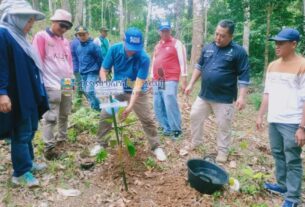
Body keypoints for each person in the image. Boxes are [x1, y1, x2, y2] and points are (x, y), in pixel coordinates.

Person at [184, 19, 250, 163]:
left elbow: (244, 76)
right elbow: (199, 66)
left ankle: (222, 152)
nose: (218, 38)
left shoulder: (239, 52)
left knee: (223, 125)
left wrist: (242, 97)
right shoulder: (208, 48)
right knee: (195, 115)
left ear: (231, 36)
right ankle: (196, 142)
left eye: (223, 36)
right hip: (204, 95)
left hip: (224, 98)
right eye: (217, 34)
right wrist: (190, 84)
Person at [98, 27, 167, 161]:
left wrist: (130, 107)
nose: (132, 51)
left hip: (137, 89)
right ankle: (101, 143)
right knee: (106, 114)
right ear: (124, 41)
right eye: (129, 47)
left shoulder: (144, 58)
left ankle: (156, 146)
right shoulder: (114, 49)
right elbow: (103, 70)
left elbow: (138, 85)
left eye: (135, 48)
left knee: (147, 118)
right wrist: (107, 89)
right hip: (117, 86)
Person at [0, 0, 49, 187]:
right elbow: (1, 65)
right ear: (16, 19)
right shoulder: (3, 34)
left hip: (27, 92)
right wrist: (1, 92)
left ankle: (28, 162)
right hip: (16, 94)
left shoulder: (20, 36)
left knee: (29, 130)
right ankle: (20, 172)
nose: (30, 25)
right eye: (28, 21)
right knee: (20, 132)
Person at [256, 28, 305, 207]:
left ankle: (293, 197)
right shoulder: (272, 65)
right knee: (278, 153)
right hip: (274, 119)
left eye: (281, 43)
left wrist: (302, 127)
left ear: (293, 44)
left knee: (292, 158)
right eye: (276, 42)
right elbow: (267, 92)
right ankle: (283, 185)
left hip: (292, 121)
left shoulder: (302, 65)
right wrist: (260, 115)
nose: (277, 46)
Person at [33, 9, 73, 160]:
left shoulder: (65, 41)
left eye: (66, 27)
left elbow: (69, 62)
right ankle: (49, 147)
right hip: (51, 83)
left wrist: (71, 80)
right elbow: (37, 60)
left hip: (66, 82)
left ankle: (62, 139)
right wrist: (39, 83)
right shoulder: (41, 37)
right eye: (61, 25)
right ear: (53, 21)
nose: (63, 29)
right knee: (51, 117)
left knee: (65, 113)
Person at [151, 19, 187, 139]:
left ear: (170, 31)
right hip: (158, 79)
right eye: (163, 31)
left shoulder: (177, 43)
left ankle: (176, 129)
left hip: (171, 77)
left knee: (170, 100)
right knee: (158, 102)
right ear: (159, 32)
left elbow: (183, 62)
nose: (165, 33)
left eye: (167, 31)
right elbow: (154, 61)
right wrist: (152, 77)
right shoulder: (157, 46)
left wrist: (184, 78)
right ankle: (165, 127)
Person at [75, 26, 102, 111]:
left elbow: (100, 59)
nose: (82, 36)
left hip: (92, 72)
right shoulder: (78, 47)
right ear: (77, 35)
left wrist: (102, 72)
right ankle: (93, 108)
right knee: (86, 91)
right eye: (80, 35)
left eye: (83, 34)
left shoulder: (94, 46)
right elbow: (79, 60)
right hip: (83, 73)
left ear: (87, 34)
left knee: (90, 91)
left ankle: (98, 108)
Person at [70, 26, 83, 109]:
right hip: (77, 68)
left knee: (78, 86)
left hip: (73, 67)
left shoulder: (72, 42)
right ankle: (76, 104)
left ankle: (76, 104)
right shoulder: (76, 43)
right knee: (80, 86)